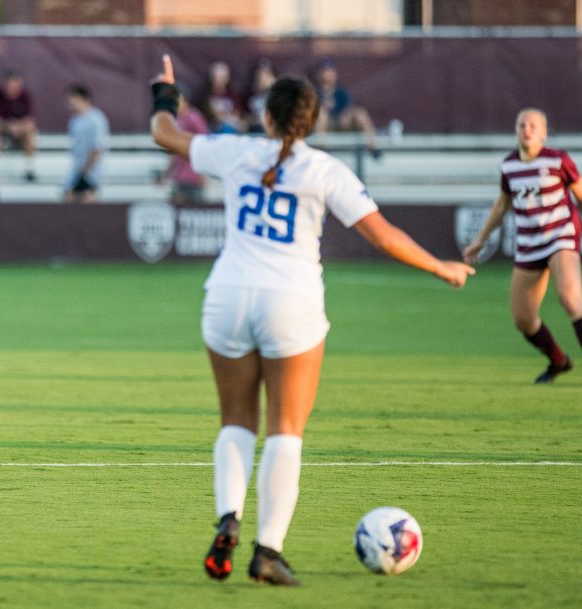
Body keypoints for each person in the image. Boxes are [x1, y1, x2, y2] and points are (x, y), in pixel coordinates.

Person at [149, 55, 472, 585]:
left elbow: (164, 133)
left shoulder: (235, 150)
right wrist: (440, 267)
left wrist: (166, 92)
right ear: (314, 121)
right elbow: (383, 235)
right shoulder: (325, 170)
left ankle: (228, 518)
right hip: (290, 303)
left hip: (227, 295)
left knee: (235, 422)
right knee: (285, 433)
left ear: (266, 116)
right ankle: (267, 552)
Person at [462, 109, 582, 387]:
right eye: (522, 125)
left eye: (533, 126)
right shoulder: (509, 166)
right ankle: (559, 361)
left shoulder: (558, 160)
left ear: (544, 132)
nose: (527, 130)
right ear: (515, 130)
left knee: (570, 298)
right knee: (523, 319)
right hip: (529, 244)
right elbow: (502, 205)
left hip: (560, 236)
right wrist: (479, 241)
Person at [312, 58, 380, 157]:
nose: (326, 75)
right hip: (324, 125)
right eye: (323, 71)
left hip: (341, 123)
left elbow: (348, 109)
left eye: (329, 71)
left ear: (335, 74)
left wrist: (346, 115)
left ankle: (373, 147)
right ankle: (322, 150)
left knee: (360, 113)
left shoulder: (342, 93)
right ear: (318, 74)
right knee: (320, 114)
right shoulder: (313, 93)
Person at [0, 70, 37, 184]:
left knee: (30, 132)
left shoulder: (25, 96)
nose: (13, 88)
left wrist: (18, 126)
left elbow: (30, 121)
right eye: (10, 85)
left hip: (19, 131)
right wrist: (9, 126)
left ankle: (29, 168)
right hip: (2, 130)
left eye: (16, 85)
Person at [161, 89, 209, 205]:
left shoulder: (193, 117)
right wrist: (167, 173)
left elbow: (206, 143)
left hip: (193, 176)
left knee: (194, 211)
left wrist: (203, 173)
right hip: (180, 176)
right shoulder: (177, 120)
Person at [63, 84, 109, 204]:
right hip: (78, 170)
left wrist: (84, 171)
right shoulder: (74, 121)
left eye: (74, 100)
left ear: (85, 100)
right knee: (68, 197)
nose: (71, 103)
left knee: (87, 200)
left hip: (90, 172)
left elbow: (96, 148)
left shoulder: (96, 119)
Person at [194, 61, 242, 134]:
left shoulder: (232, 95)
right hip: (211, 129)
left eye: (223, 77)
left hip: (231, 127)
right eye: (217, 76)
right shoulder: (204, 95)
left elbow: (236, 115)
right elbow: (209, 116)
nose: (220, 80)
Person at [242, 59, 276, 134]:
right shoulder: (248, 94)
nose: (262, 78)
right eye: (260, 75)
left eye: (266, 75)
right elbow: (243, 115)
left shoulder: (275, 93)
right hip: (254, 128)